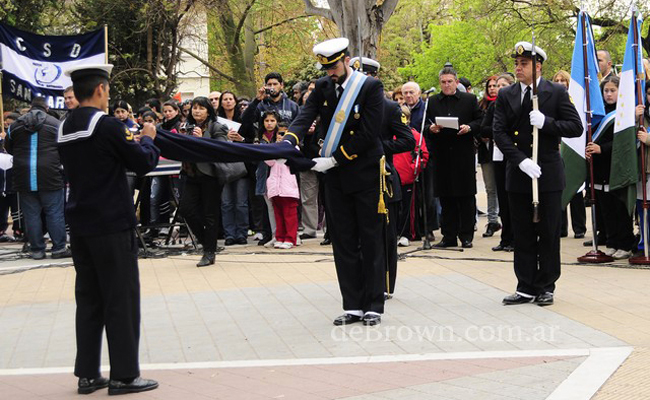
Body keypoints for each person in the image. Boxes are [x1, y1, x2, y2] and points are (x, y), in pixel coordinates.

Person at [58, 64, 159, 395]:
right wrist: (148, 139)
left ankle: (87, 374)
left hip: (80, 222)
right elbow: (142, 163)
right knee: (121, 298)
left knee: (89, 299)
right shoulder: (107, 125)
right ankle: (124, 376)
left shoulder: (64, 127)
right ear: (100, 89)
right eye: (108, 90)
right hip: (112, 223)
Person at [285, 37, 386, 326]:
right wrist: (289, 140)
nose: (330, 73)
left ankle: (374, 305)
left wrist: (334, 159)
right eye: (326, 69)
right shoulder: (323, 87)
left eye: (334, 67)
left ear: (346, 60)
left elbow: (368, 133)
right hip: (336, 179)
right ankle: (353, 305)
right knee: (342, 240)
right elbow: (306, 115)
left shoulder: (369, 87)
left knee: (370, 239)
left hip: (363, 173)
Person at [494, 42, 582, 306]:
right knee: (522, 232)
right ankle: (525, 285)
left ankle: (546, 285)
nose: (518, 68)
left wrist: (547, 123)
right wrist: (520, 160)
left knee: (548, 232)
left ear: (538, 66)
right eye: (516, 64)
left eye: (524, 64)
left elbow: (575, 127)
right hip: (520, 172)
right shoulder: (506, 94)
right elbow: (499, 132)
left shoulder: (555, 92)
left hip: (547, 172)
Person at [425, 66, 483, 248]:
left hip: (463, 154)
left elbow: (480, 121)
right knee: (446, 197)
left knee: (465, 197)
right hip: (442, 155)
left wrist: (469, 127)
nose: (447, 85)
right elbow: (424, 125)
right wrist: (431, 129)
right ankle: (448, 236)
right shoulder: (432, 101)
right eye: (443, 82)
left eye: (450, 81)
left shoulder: (469, 99)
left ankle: (466, 236)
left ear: (456, 82)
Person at [5, 96, 69, 260]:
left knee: (31, 214)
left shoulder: (15, 125)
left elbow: (9, 147)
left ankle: (37, 250)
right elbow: (64, 148)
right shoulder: (56, 124)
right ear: (46, 108)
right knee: (54, 213)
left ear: (31, 107)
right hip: (50, 175)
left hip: (23, 176)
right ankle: (59, 248)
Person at [585, 76, 635, 259]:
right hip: (599, 169)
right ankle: (612, 242)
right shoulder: (598, 114)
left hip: (616, 168)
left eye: (613, 90)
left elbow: (625, 143)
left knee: (620, 208)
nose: (608, 94)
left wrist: (602, 149)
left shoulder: (624, 114)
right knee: (606, 210)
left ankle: (625, 244)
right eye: (606, 91)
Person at [179, 96, 229, 266]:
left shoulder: (217, 126)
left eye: (201, 108)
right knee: (186, 210)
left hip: (211, 176)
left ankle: (209, 252)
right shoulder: (186, 126)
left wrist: (202, 138)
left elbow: (221, 149)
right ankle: (207, 243)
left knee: (210, 215)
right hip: (191, 174)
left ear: (208, 111)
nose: (197, 111)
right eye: (194, 108)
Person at [482, 73, 516, 252]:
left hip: (515, 155)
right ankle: (505, 238)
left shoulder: (518, 103)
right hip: (498, 155)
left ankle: (515, 238)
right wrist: (498, 132)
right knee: (502, 196)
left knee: (513, 198)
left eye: (503, 85)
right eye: (497, 85)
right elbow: (484, 128)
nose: (499, 88)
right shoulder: (494, 106)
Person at [402, 80, 439, 241]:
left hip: (425, 156)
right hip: (406, 158)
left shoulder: (426, 109)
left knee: (428, 195)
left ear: (418, 93)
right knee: (412, 196)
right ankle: (414, 228)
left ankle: (429, 228)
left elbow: (431, 127)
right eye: (405, 93)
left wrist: (429, 129)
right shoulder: (400, 110)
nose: (408, 95)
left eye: (411, 92)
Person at [552, 70, 587, 239]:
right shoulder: (551, 101)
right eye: (557, 80)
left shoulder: (575, 99)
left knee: (575, 189)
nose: (560, 83)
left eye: (563, 80)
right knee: (559, 188)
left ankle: (579, 227)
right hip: (557, 147)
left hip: (574, 146)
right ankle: (561, 228)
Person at [217, 91, 250, 246]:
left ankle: (242, 233)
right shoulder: (216, 122)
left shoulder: (243, 119)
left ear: (235, 101)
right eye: (225, 99)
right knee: (226, 203)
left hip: (241, 165)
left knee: (241, 202)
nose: (228, 102)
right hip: (223, 165)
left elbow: (251, 139)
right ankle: (229, 234)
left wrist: (240, 139)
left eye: (231, 99)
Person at [265, 125, 300, 249]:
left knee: (289, 215)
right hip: (275, 187)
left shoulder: (294, 148)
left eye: (284, 133)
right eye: (279, 133)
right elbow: (269, 162)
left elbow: (294, 160)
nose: (281, 136)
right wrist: (275, 148)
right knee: (278, 215)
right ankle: (279, 237)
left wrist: (284, 146)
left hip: (288, 187)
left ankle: (290, 238)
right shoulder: (273, 148)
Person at [478, 75, 502, 238]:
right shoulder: (481, 106)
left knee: (504, 188)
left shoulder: (506, 103)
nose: (492, 89)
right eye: (490, 86)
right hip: (486, 152)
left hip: (503, 152)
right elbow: (481, 127)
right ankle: (492, 220)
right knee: (490, 188)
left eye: (496, 85)